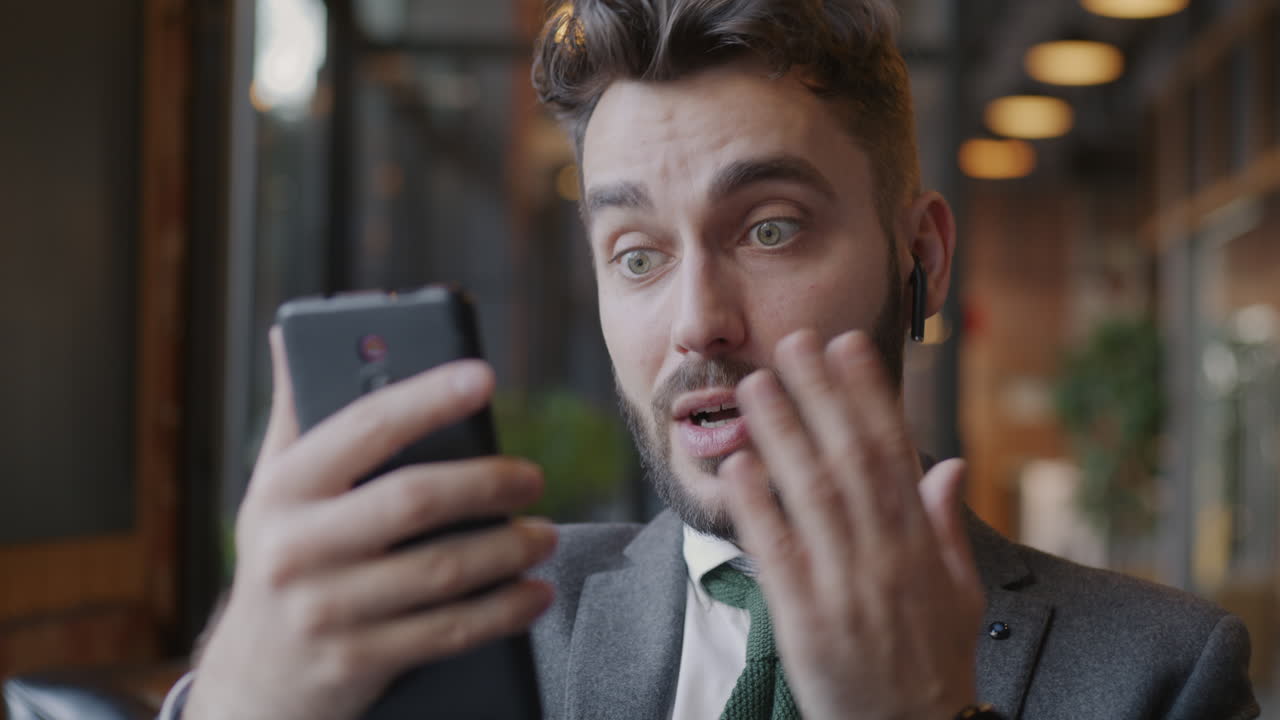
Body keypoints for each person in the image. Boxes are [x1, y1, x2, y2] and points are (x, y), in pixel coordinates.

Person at [163, 1, 1260, 718]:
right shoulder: (473, 627)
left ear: (917, 253)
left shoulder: (1162, 674)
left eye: (768, 228)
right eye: (634, 253)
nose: (695, 321)